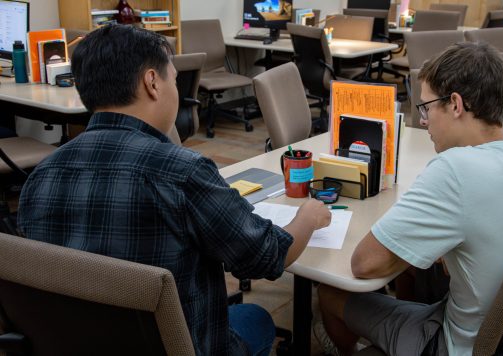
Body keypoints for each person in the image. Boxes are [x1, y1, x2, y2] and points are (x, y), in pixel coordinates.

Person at [18, 25, 331, 356]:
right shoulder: (183, 173)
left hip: (85, 342)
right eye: (174, 79)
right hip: (180, 345)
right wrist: (308, 216)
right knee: (254, 318)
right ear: (152, 82)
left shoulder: (40, 177)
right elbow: (266, 257)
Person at [316, 42, 503, 356]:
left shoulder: (454, 170)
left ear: (455, 104)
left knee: (331, 291)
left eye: (426, 107)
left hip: (463, 346)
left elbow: (364, 264)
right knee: (417, 268)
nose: (423, 121)